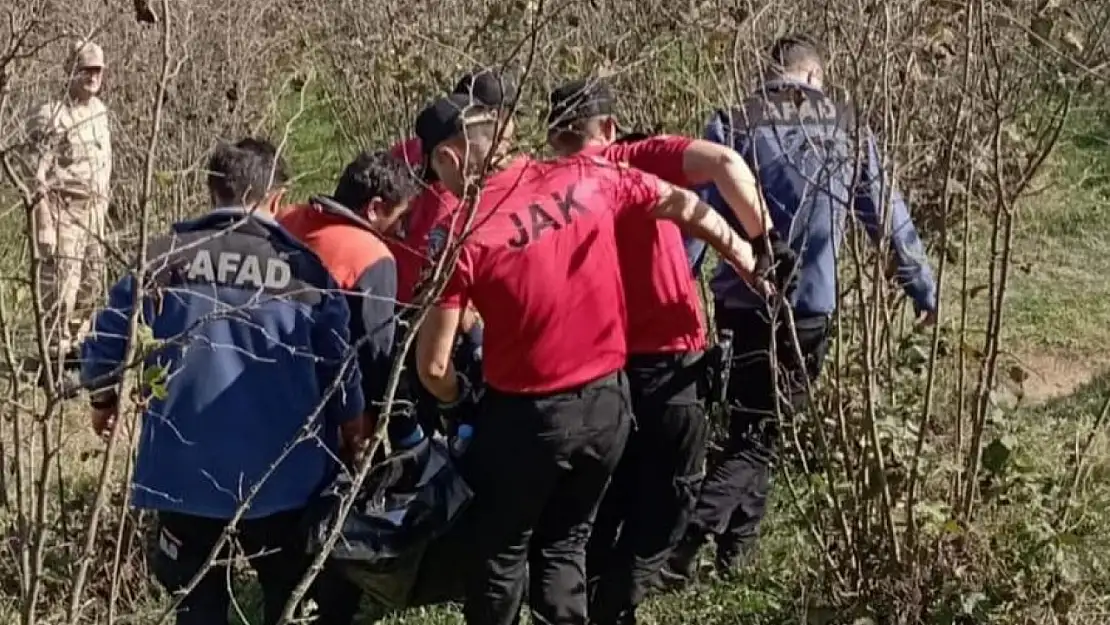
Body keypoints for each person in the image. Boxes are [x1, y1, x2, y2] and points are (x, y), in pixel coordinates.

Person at [412, 92, 762, 625]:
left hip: (527, 417)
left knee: (501, 550)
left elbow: (433, 369)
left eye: (439, 177)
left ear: (449, 158)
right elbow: (687, 206)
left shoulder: (460, 232)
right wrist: (748, 255)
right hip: (606, 407)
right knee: (565, 542)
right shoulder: (590, 176)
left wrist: (461, 397)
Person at [665, 34, 939, 582]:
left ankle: (734, 554)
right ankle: (682, 545)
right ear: (814, 75)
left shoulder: (733, 124)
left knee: (754, 421)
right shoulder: (849, 128)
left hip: (743, 300)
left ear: (771, 74)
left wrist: (675, 294)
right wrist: (921, 287)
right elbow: (887, 216)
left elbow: (699, 217)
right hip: (811, 304)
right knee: (762, 431)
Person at [80, 138, 365, 625]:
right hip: (283, 476)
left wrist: (103, 399)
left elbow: (107, 339)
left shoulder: (163, 256)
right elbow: (339, 365)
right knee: (290, 598)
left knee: (196, 605)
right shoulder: (302, 268)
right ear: (277, 198)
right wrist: (354, 428)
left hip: (181, 473)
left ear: (213, 190)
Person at [543, 76, 773, 625]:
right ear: (610, 128)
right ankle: (615, 604)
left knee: (609, 496)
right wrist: (763, 248)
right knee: (671, 499)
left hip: (593, 373)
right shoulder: (629, 163)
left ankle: (596, 599)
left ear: (553, 137)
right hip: (669, 363)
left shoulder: (543, 187)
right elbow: (723, 162)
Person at [279, 149, 425, 449]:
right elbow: (377, 357)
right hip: (329, 413)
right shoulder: (369, 255)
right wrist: (401, 432)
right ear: (374, 208)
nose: (401, 230)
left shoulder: (286, 219)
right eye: (400, 217)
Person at [27, 40, 112, 374]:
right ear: (71, 70)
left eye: (97, 70)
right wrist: (44, 221)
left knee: (92, 283)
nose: (92, 76)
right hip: (63, 213)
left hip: (95, 213)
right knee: (62, 289)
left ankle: (75, 350)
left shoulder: (100, 112)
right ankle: (52, 362)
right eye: (86, 69)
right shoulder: (52, 115)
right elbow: (36, 177)